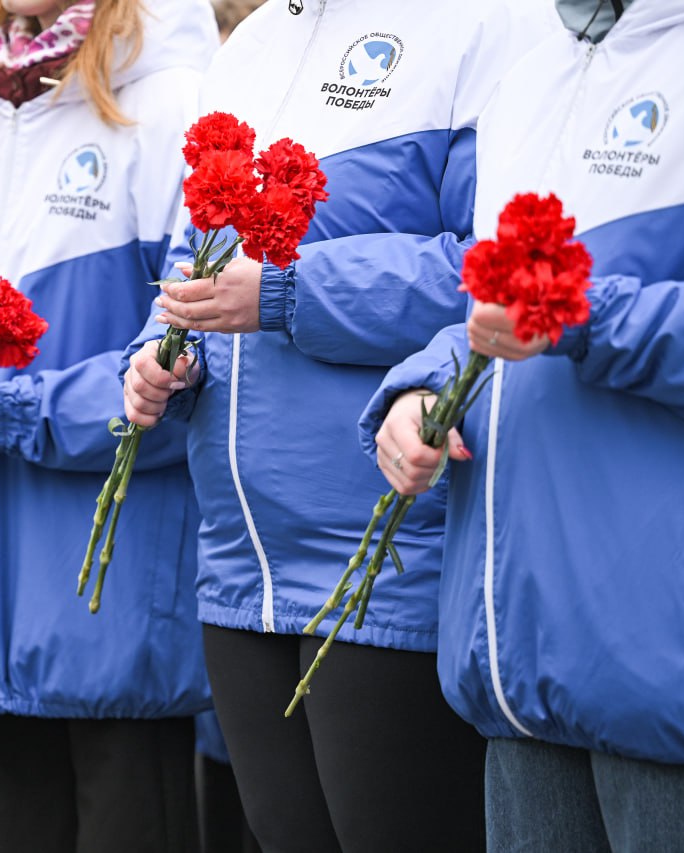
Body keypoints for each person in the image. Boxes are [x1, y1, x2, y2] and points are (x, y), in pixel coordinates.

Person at [120, 1, 557, 850]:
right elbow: (196, 258)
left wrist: (290, 291)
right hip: (242, 564)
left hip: (389, 556)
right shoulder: (249, 45)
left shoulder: (482, 27)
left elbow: (492, 271)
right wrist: (157, 358)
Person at [0, 1, 218, 851]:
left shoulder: (171, 100)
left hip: (118, 619)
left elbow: (189, 370)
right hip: (1, 619)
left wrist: (14, 415)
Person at [365, 0, 684, 848]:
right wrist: (423, 393)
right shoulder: (530, 75)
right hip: (517, 664)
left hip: (669, 667)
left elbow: (565, 315)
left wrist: (584, 317)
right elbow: (487, 313)